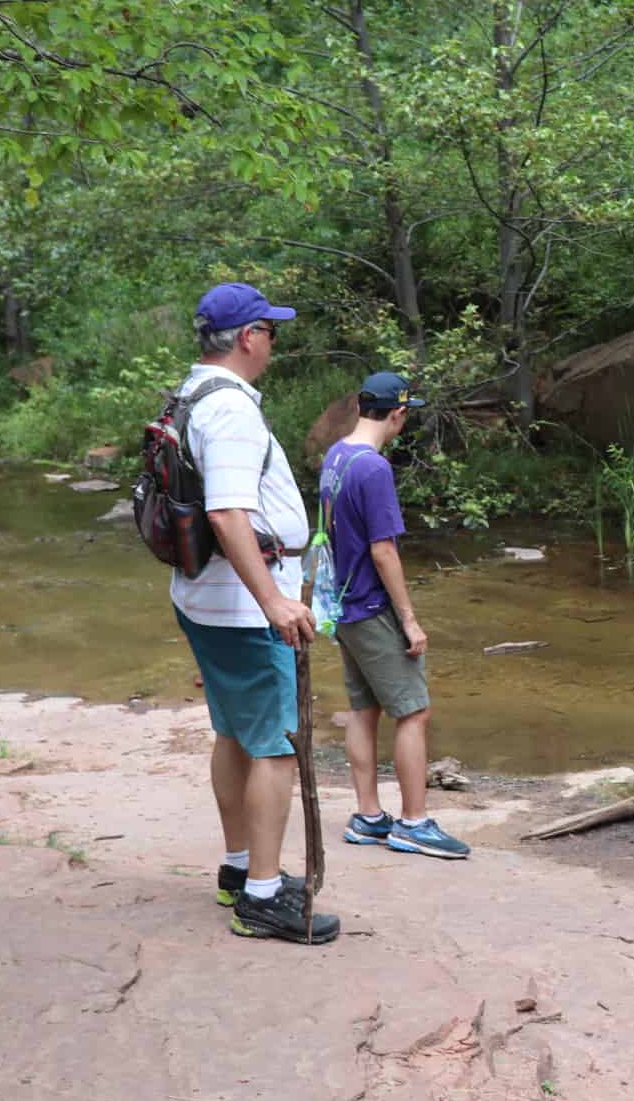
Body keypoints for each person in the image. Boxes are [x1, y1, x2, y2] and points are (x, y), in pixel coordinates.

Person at [172, 282, 340, 945]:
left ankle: (240, 869)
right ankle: (264, 898)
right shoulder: (233, 411)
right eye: (271, 331)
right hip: (244, 606)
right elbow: (226, 511)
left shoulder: (190, 396)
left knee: (234, 733)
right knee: (274, 747)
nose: (274, 342)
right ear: (248, 337)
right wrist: (274, 600)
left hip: (206, 596)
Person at [321, 371, 470, 860]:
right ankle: (413, 822)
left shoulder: (336, 455)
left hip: (341, 605)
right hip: (370, 607)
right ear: (398, 414)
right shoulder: (374, 469)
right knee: (414, 711)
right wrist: (409, 619)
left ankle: (368, 816)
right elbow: (384, 551)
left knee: (364, 710)